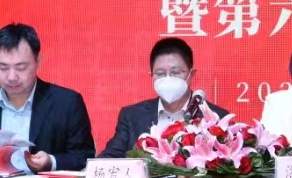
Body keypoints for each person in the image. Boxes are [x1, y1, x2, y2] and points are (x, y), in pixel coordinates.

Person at [0, 23, 95, 172]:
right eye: (3, 67)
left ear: (38, 61)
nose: (11, 77)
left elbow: (83, 156)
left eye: (20, 67)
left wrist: (50, 162)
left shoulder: (67, 103)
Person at [100, 37, 233, 158]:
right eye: (160, 73)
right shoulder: (132, 115)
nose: (168, 78)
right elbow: (109, 158)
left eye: (175, 72)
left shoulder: (216, 117)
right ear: (152, 76)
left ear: (191, 74)